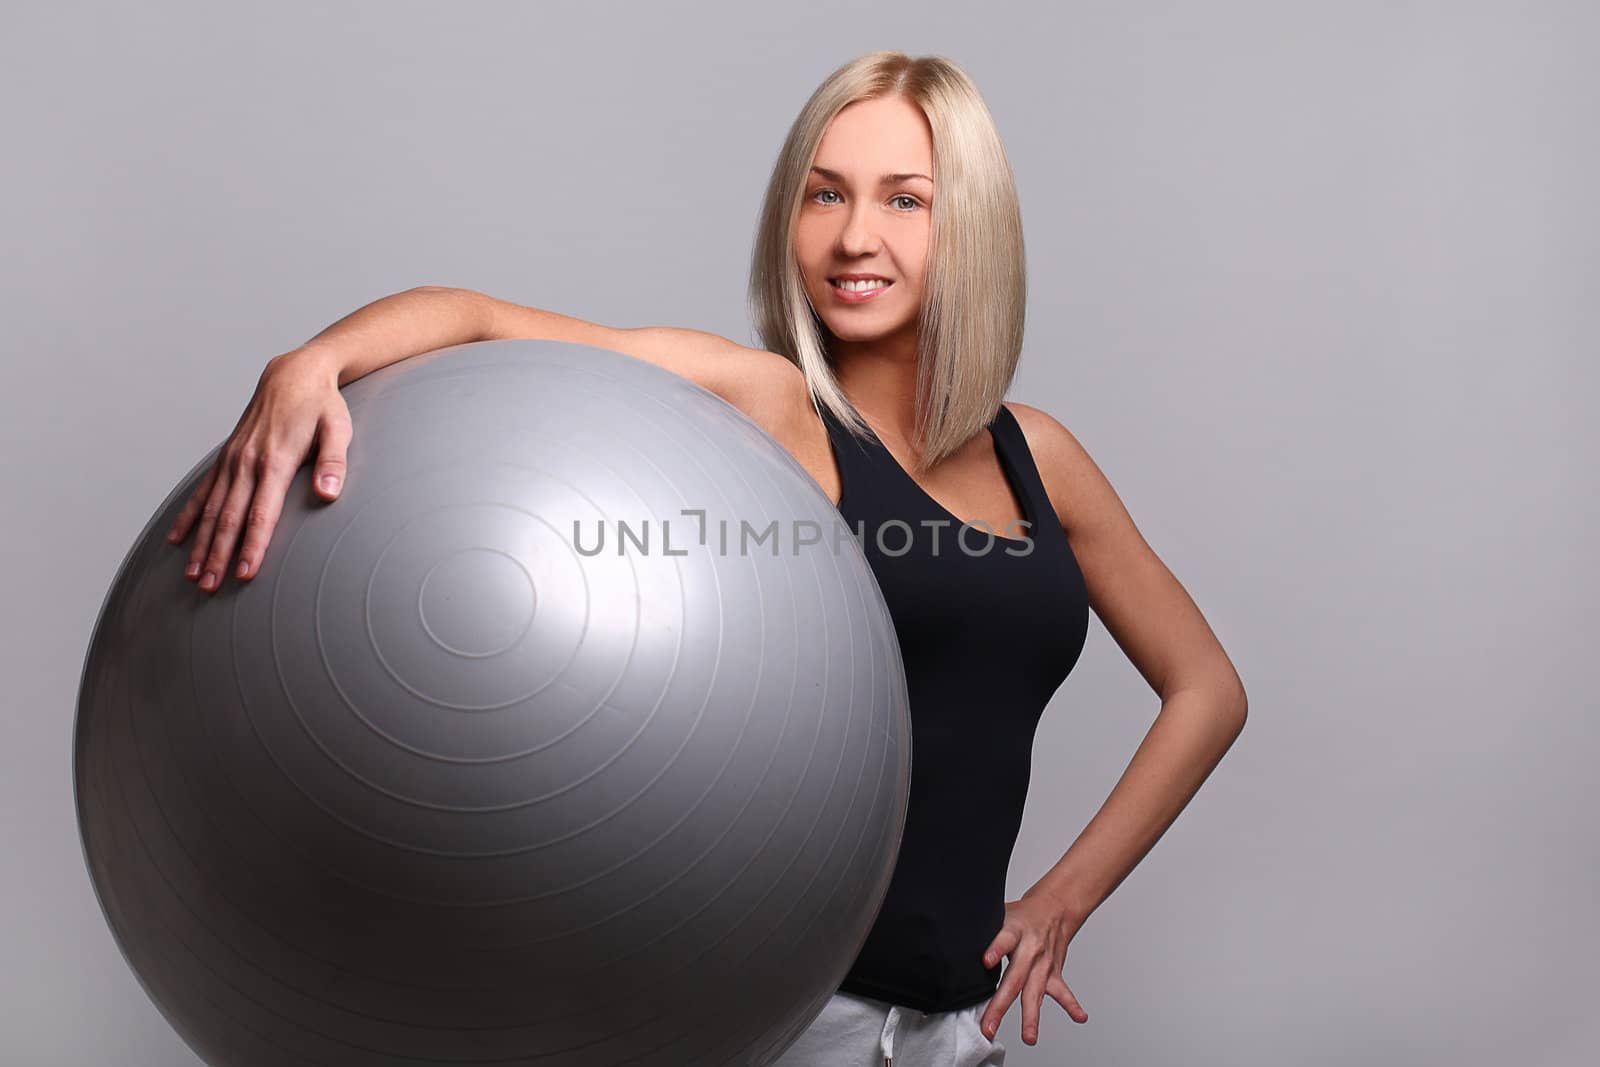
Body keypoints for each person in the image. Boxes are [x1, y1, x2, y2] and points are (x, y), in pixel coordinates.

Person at [166, 51, 1247, 1065]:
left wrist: (1063, 895)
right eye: (824, 194)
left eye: (902, 199)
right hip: (775, 1020)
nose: (853, 237)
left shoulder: (1037, 456)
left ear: (972, 224)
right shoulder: (771, 403)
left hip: (951, 1027)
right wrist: (311, 362)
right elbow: (481, 321)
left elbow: (1206, 687)